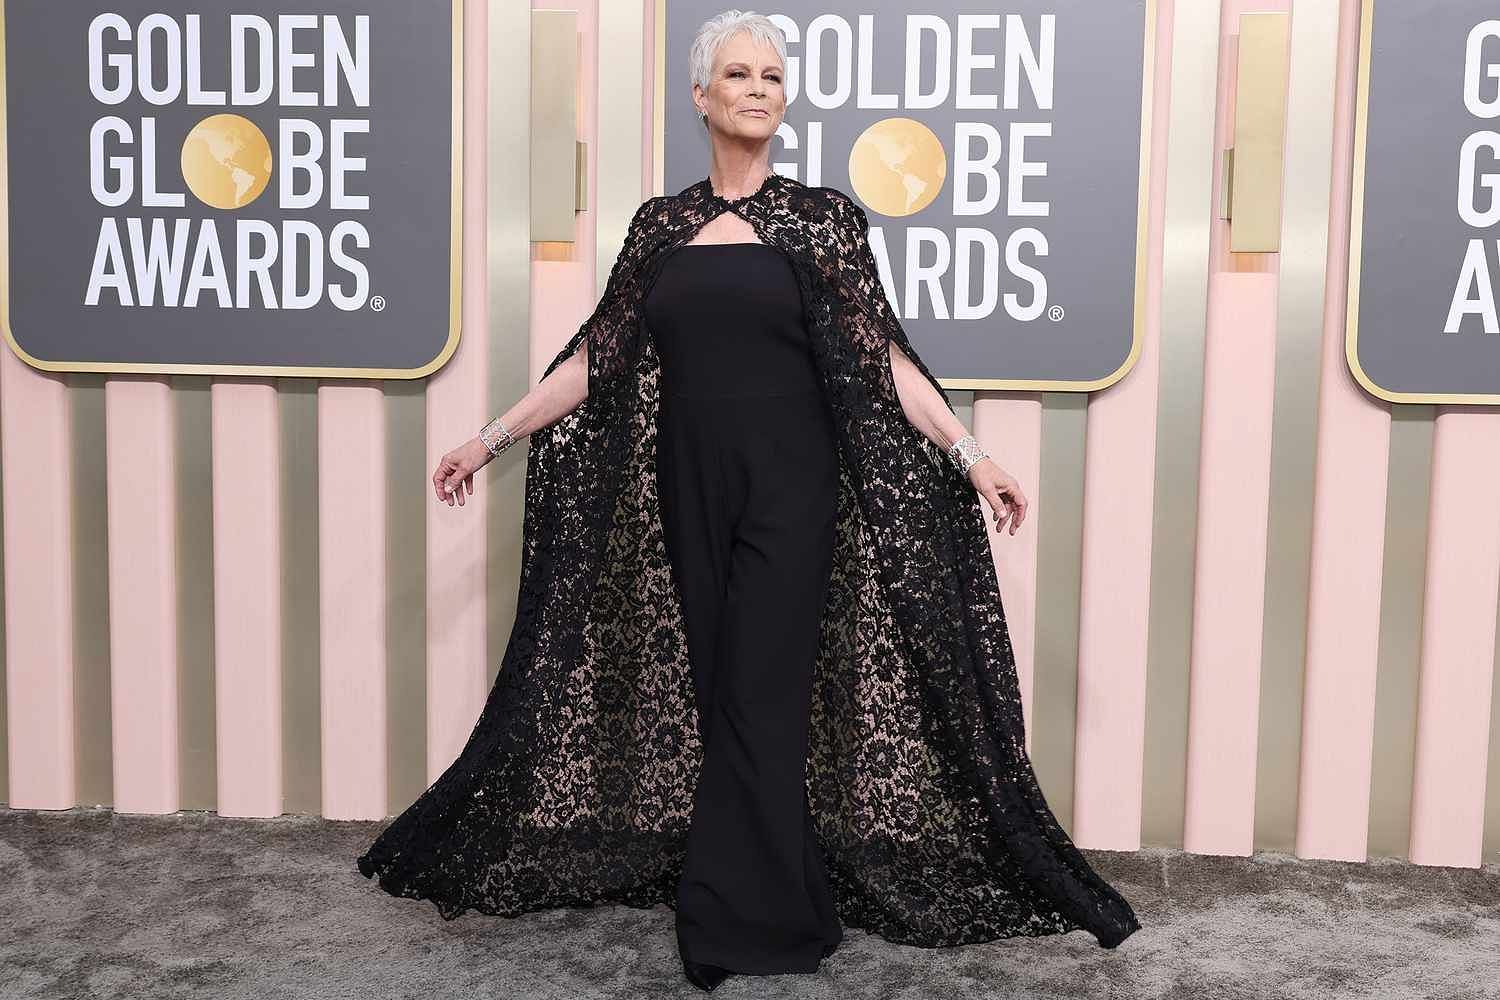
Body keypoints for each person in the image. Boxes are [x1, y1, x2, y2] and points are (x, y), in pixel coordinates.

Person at [357, 9, 1140, 993]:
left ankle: (736, 916)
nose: (761, 87)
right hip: (691, 490)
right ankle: (785, 889)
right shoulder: (661, 227)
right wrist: (490, 436)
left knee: (765, 694)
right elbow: (600, 357)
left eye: (774, 74)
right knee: (728, 691)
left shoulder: (820, 220)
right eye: (739, 73)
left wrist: (970, 452)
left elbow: (882, 360)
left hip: (790, 494)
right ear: (703, 97)